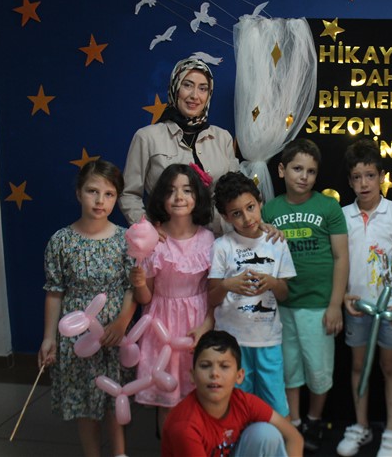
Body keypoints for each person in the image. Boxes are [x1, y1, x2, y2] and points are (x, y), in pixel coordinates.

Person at [38, 160, 136, 457]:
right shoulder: (61, 241)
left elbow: (132, 287)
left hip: (113, 333)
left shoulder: (125, 239)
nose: (100, 200)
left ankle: (119, 453)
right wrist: (49, 338)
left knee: (114, 398)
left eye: (109, 194)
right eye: (92, 191)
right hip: (77, 336)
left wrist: (122, 322)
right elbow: (54, 292)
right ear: (78, 193)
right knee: (84, 402)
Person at [261, 138, 349, 452]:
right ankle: (295, 422)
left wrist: (335, 304)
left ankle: (314, 419)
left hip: (318, 304)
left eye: (311, 171)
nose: (304, 176)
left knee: (319, 369)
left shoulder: (328, 207)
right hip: (282, 305)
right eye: (297, 169)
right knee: (290, 368)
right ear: (282, 170)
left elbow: (341, 257)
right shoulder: (270, 209)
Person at [336, 139, 392, 457]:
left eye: (370, 175)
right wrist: (342, 296)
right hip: (356, 305)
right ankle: (361, 425)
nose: (364, 183)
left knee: (390, 365)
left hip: (389, 306)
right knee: (358, 365)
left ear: (381, 176)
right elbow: (338, 261)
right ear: (349, 180)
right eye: (357, 177)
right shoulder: (342, 215)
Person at [131, 163, 215, 433]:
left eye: (187, 190)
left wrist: (208, 324)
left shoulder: (208, 239)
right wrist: (139, 283)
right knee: (167, 400)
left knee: (201, 395)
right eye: (171, 191)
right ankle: (170, 446)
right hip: (162, 327)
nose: (179, 197)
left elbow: (214, 291)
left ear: (198, 196)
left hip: (197, 323)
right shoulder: (154, 240)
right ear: (161, 198)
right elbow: (145, 298)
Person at [208, 171, 296, 419]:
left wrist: (273, 283)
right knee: (236, 408)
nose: (247, 218)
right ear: (226, 217)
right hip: (231, 343)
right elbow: (211, 297)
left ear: (260, 203)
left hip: (268, 340)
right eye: (237, 213)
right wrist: (228, 285)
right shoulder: (221, 246)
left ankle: (279, 441)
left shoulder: (276, 242)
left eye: (250, 207)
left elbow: (284, 294)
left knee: (275, 407)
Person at [119, 56, 239, 231]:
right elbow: (129, 194)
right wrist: (148, 229)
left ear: (209, 94)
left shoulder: (223, 138)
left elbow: (235, 192)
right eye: (187, 85)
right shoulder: (147, 137)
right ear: (175, 87)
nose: (194, 96)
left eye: (203, 88)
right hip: (167, 238)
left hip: (217, 238)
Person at [162, 330, 304, 457]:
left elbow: (294, 438)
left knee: (266, 434)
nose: (214, 373)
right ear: (192, 376)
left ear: (239, 375)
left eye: (224, 366)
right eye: (205, 366)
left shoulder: (243, 402)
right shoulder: (185, 426)